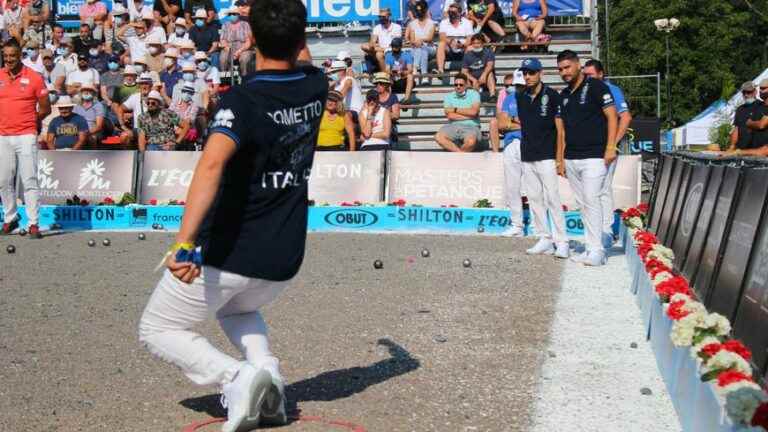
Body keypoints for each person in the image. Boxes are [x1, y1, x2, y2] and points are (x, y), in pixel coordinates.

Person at [138, 1, 326, 430]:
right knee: (236, 312)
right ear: (301, 41)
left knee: (158, 329)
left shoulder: (242, 100)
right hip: (284, 257)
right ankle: (270, 379)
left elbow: (210, 165)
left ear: (250, 42)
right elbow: (301, 53)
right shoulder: (315, 85)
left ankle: (238, 377)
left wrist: (184, 244)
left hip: (232, 253)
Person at [557, 50, 618, 266]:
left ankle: (597, 250)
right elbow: (562, 131)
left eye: (567, 67)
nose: (564, 72)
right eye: (561, 69)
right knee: (582, 204)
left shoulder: (596, 86)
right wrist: (560, 159)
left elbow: (613, 116)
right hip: (572, 156)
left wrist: (611, 146)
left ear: (578, 65)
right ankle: (591, 245)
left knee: (592, 200)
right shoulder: (563, 95)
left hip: (595, 155)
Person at [516, 58, 569, 257]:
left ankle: (562, 241)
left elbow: (560, 130)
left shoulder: (553, 96)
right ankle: (544, 237)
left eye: (532, 72)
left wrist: (559, 158)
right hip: (528, 154)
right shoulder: (520, 96)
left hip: (547, 155)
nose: (528, 77)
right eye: (525, 73)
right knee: (534, 199)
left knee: (553, 198)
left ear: (540, 73)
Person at [0, 39, 51, 239]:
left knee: (29, 179)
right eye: (5, 56)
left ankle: (33, 223)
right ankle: (10, 218)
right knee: (3, 181)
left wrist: (33, 120)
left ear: (20, 55)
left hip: (26, 134)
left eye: (13, 55)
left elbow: (45, 107)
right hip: (3, 135)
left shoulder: (34, 77)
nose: (9, 59)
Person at [583, 58, 633, 248]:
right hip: (589, 148)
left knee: (602, 189)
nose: (587, 78)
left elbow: (625, 117)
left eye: (591, 74)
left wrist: (612, 143)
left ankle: (607, 231)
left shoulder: (612, 90)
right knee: (589, 191)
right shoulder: (585, 90)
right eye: (585, 74)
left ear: (601, 74)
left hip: (605, 149)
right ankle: (596, 231)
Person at [491, 71, 526, 237]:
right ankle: (516, 225)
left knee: (536, 187)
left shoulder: (534, 98)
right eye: (515, 85)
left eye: (520, 85)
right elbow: (502, 124)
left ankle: (540, 227)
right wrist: (520, 122)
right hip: (511, 144)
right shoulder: (509, 99)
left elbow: (535, 123)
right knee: (512, 187)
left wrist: (513, 121)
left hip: (531, 143)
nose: (517, 88)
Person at [435, 73, 481, 152]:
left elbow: (474, 112)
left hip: (471, 126)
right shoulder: (448, 96)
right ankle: (460, 153)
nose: (458, 86)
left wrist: (455, 109)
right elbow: (450, 116)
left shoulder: (474, 94)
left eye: (461, 85)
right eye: (456, 85)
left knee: (470, 142)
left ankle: (457, 154)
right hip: (453, 125)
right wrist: (469, 116)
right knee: (438, 137)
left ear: (466, 85)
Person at [436, 2, 475, 76]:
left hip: (463, 49)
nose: (451, 14)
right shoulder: (444, 22)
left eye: (453, 12)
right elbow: (442, 37)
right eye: (449, 12)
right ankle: (440, 70)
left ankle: (465, 71)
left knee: (470, 47)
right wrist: (451, 42)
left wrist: (463, 45)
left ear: (460, 13)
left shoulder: (467, 23)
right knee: (441, 44)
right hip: (449, 50)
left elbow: (470, 38)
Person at [361, 7, 402, 72]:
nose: (381, 18)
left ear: (389, 16)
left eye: (383, 17)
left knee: (379, 54)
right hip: (381, 49)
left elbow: (396, 44)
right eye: (379, 17)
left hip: (392, 50)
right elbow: (372, 42)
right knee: (363, 46)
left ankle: (385, 74)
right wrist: (373, 44)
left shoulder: (397, 27)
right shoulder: (377, 28)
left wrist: (378, 47)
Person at [405, 0, 435, 82]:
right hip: (416, 48)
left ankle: (415, 68)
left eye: (421, 10)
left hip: (430, 48)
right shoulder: (412, 24)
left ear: (425, 10)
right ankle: (424, 75)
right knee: (422, 49)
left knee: (423, 48)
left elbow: (430, 38)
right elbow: (412, 40)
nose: (419, 12)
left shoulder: (431, 23)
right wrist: (417, 42)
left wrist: (421, 40)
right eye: (417, 11)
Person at [219, 6, 253, 75]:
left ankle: (245, 78)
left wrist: (239, 51)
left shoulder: (245, 24)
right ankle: (225, 78)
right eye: (230, 14)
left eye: (234, 14)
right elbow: (222, 40)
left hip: (243, 49)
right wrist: (229, 49)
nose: (232, 16)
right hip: (228, 48)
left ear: (238, 15)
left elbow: (248, 41)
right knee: (223, 58)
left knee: (244, 59)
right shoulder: (225, 25)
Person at [461, 34, 496, 98]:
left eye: (478, 43)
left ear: (483, 43)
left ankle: (492, 95)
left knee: (490, 73)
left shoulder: (488, 52)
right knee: (465, 78)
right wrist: (474, 80)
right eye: (474, 43)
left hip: (485, 76)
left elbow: (490, 66)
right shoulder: (467, 54)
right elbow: (464, 71)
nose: (476, 45)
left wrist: (483, 75)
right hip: (473, 77)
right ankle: (469, 97)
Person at [729, 81, 761, 151]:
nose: (746, 95)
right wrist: (732, 146)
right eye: (744, 92)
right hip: (740, 149)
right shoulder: (739, 109)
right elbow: (736, 129)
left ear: (755, 92)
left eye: (749, 92)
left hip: (756, 150)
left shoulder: (761, 106)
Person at [384, 37, 415, 103]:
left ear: (400, 47)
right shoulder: (388, 55)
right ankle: (388, 100)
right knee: (387, 75)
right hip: (393, 81)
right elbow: (387, 69)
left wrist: (403, 72)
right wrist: (392, 72)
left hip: (403, 80)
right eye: (393, 46)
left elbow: (410, 69)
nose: (394, 48)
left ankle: (406, 99)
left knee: (410, 76)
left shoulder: (407, 55)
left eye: (396, 46)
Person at [169, 82, 198, 148]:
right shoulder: (174, 103)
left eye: (189, 92)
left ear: (192, 94)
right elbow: (169, 116)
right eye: (185, 91)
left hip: (187, 132)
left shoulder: (195, 105)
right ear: (182, 91)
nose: (187, 94)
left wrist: (179, 129)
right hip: (174, 130)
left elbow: (189, 121)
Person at [744, 79, 768, 154]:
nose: (760, 91)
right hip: (755, 150)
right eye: (760, 88)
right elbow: (748, 125)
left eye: (763, 88)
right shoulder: (758, 106)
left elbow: (762, 125)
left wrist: (751, 123)